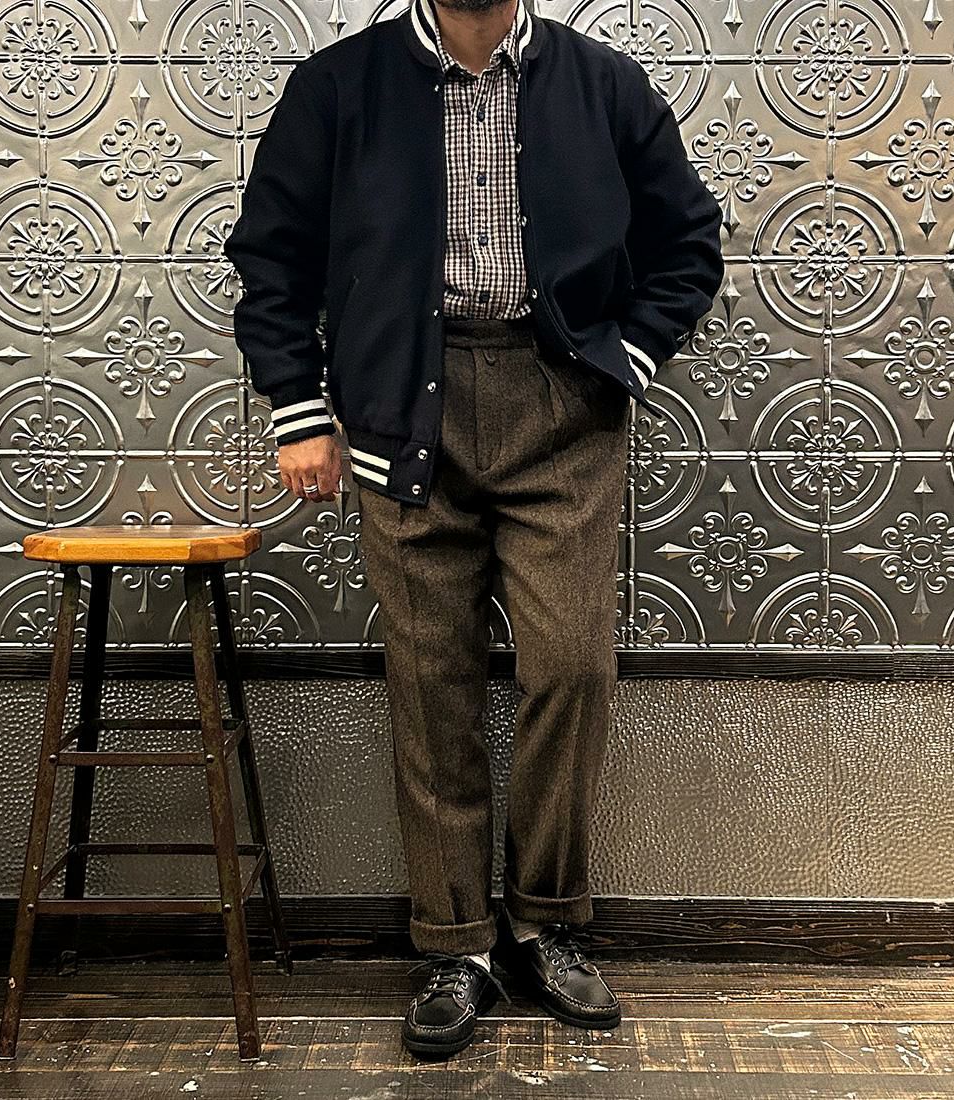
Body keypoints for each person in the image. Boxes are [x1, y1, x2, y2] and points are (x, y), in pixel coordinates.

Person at [223, 0, 724, 1059]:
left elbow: (686, 238)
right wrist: (299, 410)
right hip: (402, 407)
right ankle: (454, 941)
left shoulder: (603, 84)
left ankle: (544, 921)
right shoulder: (337, 86)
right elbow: (272, 258)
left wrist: (621, 359)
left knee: (571, 665)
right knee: (430, 680)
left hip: (562, 408)